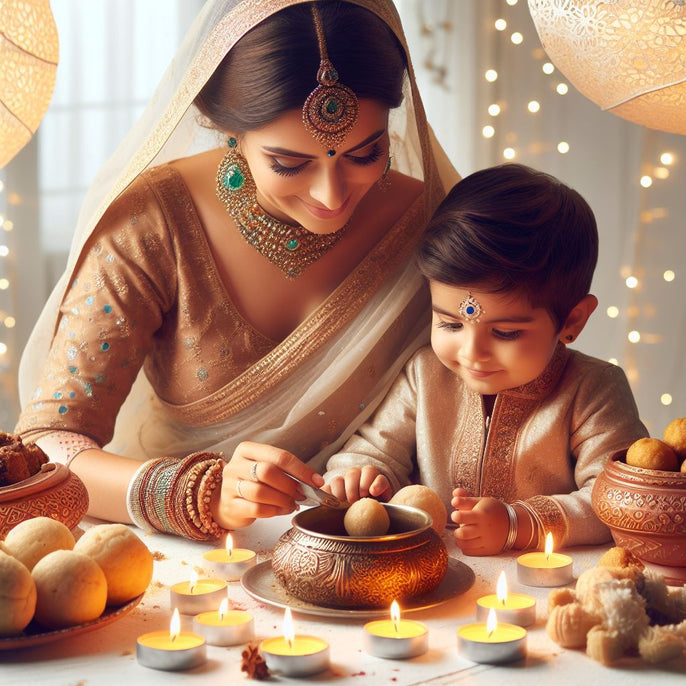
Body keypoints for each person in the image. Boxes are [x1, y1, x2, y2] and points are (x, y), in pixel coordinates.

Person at [15, 1, 457, 539]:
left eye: (366, 154)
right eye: (289, 164)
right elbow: (44, 450)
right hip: (198, 567)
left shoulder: (435, 219)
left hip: (388, 553)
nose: (332, 194)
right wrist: (196, 493)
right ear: (226, 128)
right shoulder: (153, 222)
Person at [324, 163, 648, 555]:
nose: (471, 352)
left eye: (506, 332)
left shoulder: (592, 390)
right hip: (428, 581)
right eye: (450, 324)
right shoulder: (424, 376)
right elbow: (375, 449)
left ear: (572, 320)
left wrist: (519, 524)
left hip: (547, 587)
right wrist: (359, 477)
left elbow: (621, 500)